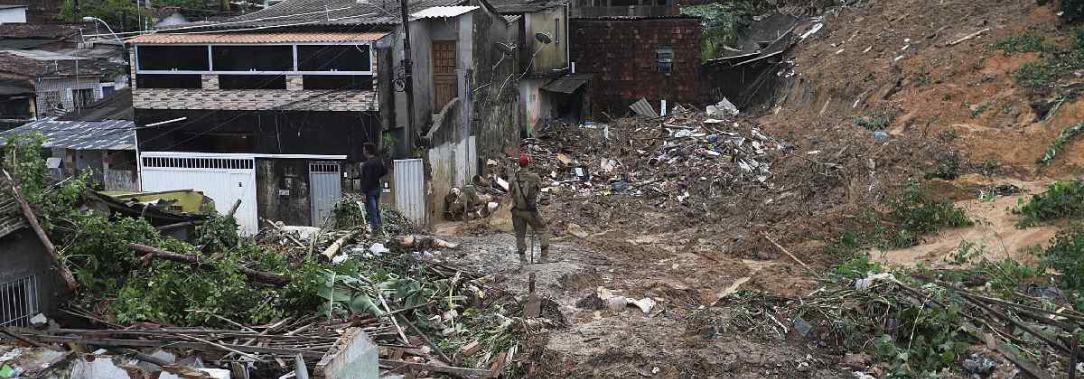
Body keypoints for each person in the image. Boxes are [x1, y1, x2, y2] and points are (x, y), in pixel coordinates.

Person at [510, 153, 550, 263]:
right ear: (528, 164)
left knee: (520, 234)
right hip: (531, 211)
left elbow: (511, 193)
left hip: (517, 211)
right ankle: (544, 257)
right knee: (543, 229)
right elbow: (538, 190)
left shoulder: (514, 179)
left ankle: (523, 259)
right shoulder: (535, 177)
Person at [359, 143, 388, 232]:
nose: (363, 151)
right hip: (377, 188)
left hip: (369, 190)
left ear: (367, 151)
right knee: (376, 209)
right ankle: (379, 227)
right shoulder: (378, 161)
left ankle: (376, 230)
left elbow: (366, 179)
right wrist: (377, 177)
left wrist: (364, 193)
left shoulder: (367, 164)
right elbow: (385, 171)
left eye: (364, 150)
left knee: (372, 211)